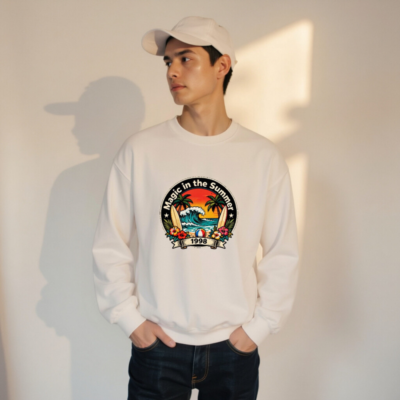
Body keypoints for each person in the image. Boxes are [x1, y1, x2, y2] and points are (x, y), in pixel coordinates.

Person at [91, 15, 300, 400]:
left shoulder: (262, 157)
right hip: (158, 347)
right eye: (168, 61)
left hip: (233, 348)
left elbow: (282, 252)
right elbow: (110, 245)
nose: (172, 71)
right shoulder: (140, 151)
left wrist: (259, 328)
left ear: (222, 66)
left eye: (186, 58)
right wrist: (130, 320)